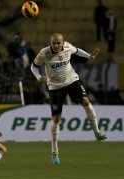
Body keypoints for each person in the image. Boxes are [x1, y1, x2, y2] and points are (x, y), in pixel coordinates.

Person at [30, 33, 107, 165]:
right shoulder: (44, 53)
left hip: (72, 81)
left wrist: (90, 56)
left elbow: (77, 51)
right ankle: (54, 152)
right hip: (55, 87)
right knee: (56, 118)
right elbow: (33, 66)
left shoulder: (67, 47)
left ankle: (97, 132)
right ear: (51, 43)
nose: (56, 45)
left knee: (86, 101)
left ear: (62, 42)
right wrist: (39, 77)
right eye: (53, 43)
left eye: (58, 43)